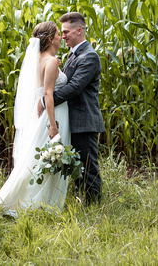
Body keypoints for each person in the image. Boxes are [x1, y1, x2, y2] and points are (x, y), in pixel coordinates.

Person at [0, 21, 71, 212]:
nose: (61, 37)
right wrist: (53, 125)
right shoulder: (50, 61)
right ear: (51, 39)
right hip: (53, 116)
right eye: (58, 34)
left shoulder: (41, 59)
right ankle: (41, 204)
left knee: (42, 159)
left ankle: (40, 202)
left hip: (43, 116)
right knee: (46, 159)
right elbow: (48, 94)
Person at [39, 12, 104, 204]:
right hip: (72, 121)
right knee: (77, 167)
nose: (63, 35)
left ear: (79, 30)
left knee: (88, 167)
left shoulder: (89, 56)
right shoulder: (72, 54)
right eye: (63, 32)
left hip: (84, 121)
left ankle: (94, 207)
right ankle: (81, 202)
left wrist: (45, 102)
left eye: (66, 32)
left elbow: (74, 87)